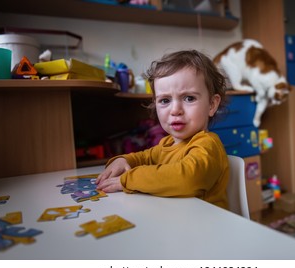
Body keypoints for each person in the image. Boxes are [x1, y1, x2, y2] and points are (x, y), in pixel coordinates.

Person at [96, 50, 229, 209]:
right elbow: (144, 157)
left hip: (209, 228)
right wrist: (124, 160)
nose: (175, 110)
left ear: (212, 105)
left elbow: (188, 178)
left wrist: (129, 179)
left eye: (189, 98)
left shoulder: (208, 145)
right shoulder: (167, 144)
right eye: (165, 100)